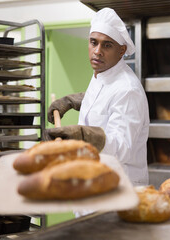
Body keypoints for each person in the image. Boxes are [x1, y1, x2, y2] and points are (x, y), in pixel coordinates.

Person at [46, 8, 149, 186]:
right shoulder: (103, 71)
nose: (97, 51)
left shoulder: (128, 90)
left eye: (107, 45)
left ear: (122, 50)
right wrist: (73, 100)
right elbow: (104, 98)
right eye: (93, 42)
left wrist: (83, 136)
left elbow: (122, 148)